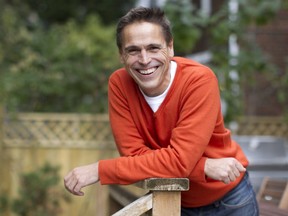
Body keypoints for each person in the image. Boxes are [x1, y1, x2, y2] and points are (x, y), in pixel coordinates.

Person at [64, 7, 259, 216]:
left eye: (153, 48)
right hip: (170, 203)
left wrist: (99, 170)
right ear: (121, 55)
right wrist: (202, 167)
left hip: (228, 202)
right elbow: (134, 156)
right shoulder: (119, 84)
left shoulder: (199, 80)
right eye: (133, 50)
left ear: (170, 47)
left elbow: (178, 162)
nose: (145, 59)